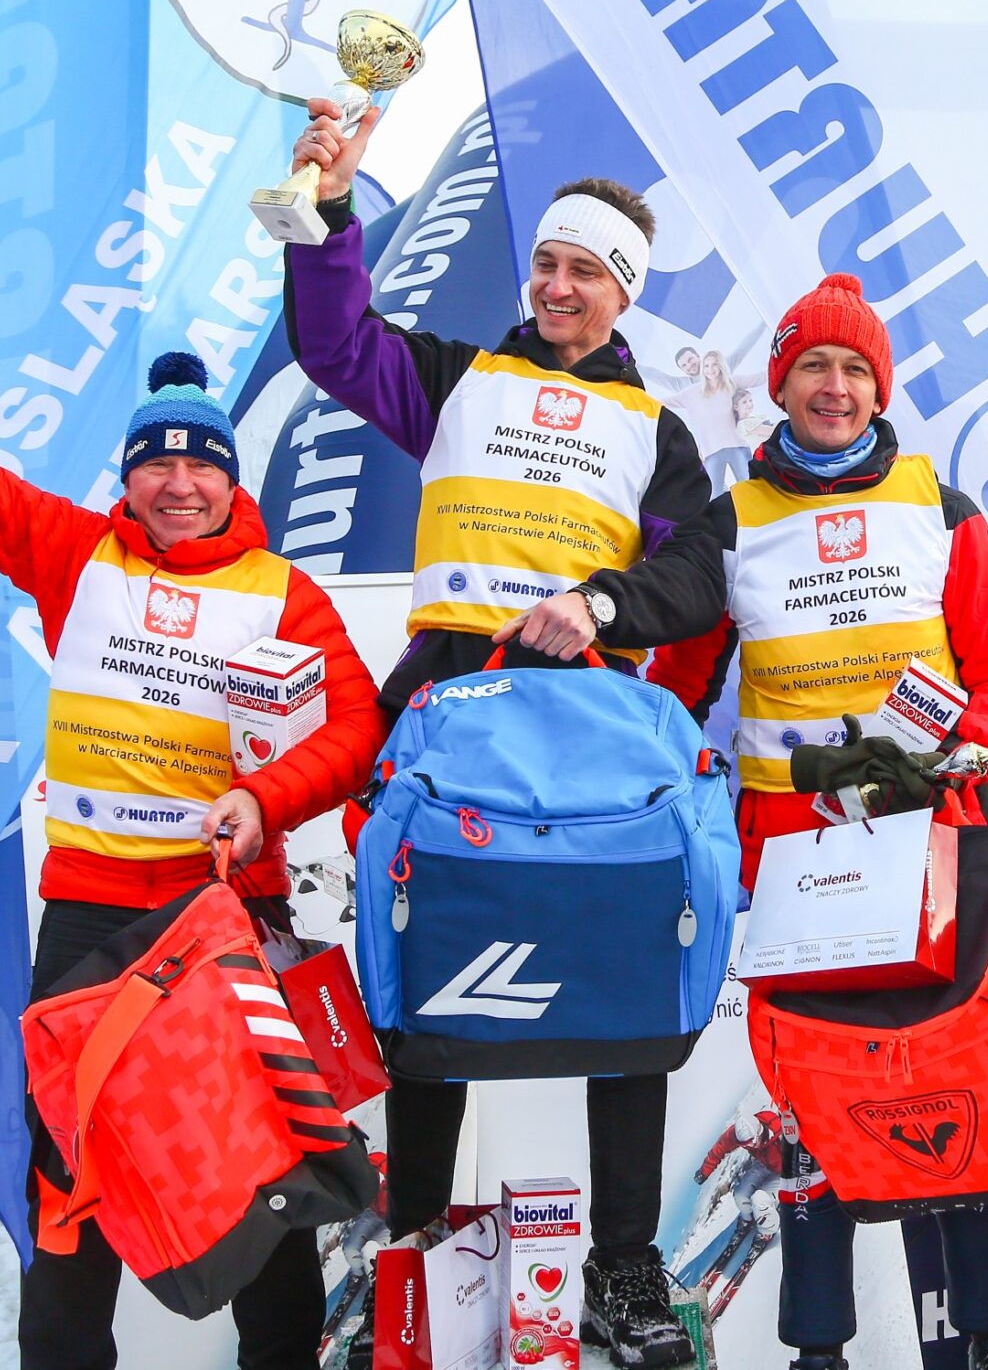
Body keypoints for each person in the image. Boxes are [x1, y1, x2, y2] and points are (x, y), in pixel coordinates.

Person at [0, 243, 389, 1370]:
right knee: (71, 1173)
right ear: (130, 478)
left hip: (222, 917)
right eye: (157, 464)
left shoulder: (284, 591)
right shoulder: (77, 555)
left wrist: (262, 797)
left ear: (232, 479)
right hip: (89, 919)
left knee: (260, 1168)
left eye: (201, 463)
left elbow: (354, 728)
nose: (180, 483)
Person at [503, 272, 988, 1370]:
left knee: (956, 1076)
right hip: (795, 857)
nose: (833, 387)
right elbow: (678, 685)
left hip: (930, 842)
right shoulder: (733, 518)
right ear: (781, 386)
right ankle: (818, 1348)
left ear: (878, 388)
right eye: (812, 367)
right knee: (811, 1100)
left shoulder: (942, 508)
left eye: (852, 369)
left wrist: (959, 741)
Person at [282, 98, 714, 1369]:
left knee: (622, 979)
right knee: (430, 971)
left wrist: (601, 605)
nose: (557, 286)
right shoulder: (460, 379)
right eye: (547, 263)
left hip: (586, 726)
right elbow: (334, 342)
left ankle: (622, 1264)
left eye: (584, 271)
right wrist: (330, 208)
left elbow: (697, 576)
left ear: (623, 293)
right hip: (454, 705)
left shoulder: (657, 432)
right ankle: (417, 1240)